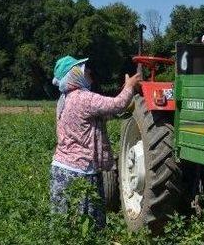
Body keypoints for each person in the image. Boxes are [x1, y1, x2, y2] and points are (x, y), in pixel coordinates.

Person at [49, 55, 140, 229]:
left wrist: (123, 99)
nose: (89, 72)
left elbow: (103, 113)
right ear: (75, 75)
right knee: (88, 227)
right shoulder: (84, 98)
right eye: (84, 69)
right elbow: (117, 105)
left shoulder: (65, 99)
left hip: (62, 169)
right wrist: (129, 87)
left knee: (65, 225)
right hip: (80, 171)